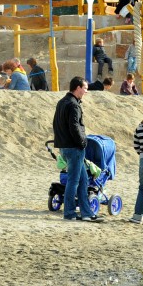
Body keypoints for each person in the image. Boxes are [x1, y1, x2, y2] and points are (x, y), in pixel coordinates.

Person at [52, 77, 103, 222]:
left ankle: (86, 213)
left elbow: (55, 124)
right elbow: (74, 127)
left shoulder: (62, 102)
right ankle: (69, 213)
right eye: (85, 88)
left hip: (65, 147)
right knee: (74, 181)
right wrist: (82, 142)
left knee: (83, 180)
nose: (86, 91)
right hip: (74, 148)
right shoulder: (73, 105)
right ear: (77, 88)